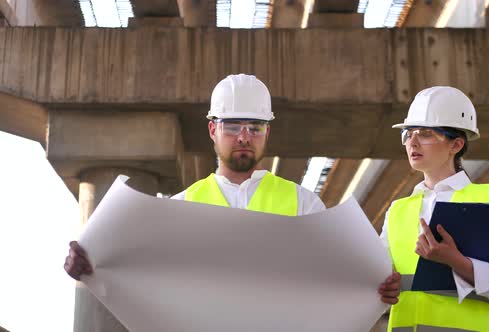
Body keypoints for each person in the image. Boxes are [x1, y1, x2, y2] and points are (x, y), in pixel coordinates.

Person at [64, 74, 326, 280]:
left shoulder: (305, 206)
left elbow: (333, 273)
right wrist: (91, 264)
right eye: (233, 126)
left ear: (266, 133)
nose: (244, 137)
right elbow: (140, 271)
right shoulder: (180, 206)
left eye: (255, 127)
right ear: (213, 129)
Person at [377, 86, 489, 332]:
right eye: (408, 133)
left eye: (426, 133)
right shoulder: (397, 211)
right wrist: (384, 289)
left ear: (456, 144)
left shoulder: (488, 199)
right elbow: (381, 285)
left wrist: (457, 261)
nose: (412, 142)